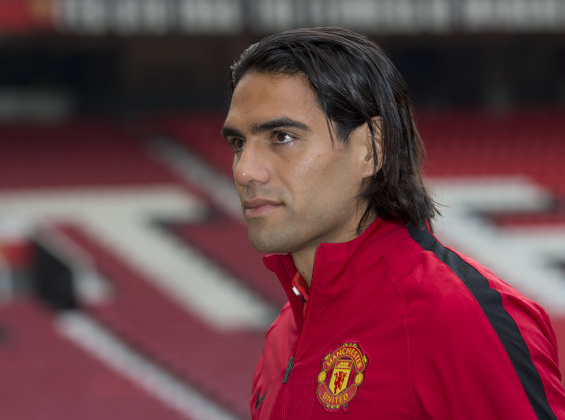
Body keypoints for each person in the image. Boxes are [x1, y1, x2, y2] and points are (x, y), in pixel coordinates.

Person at [221, 27, 565, 419]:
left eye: (282, 136)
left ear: (371, 148)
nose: (246, 171)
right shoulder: (283, 336)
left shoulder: (457, 317)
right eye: (238, 144)